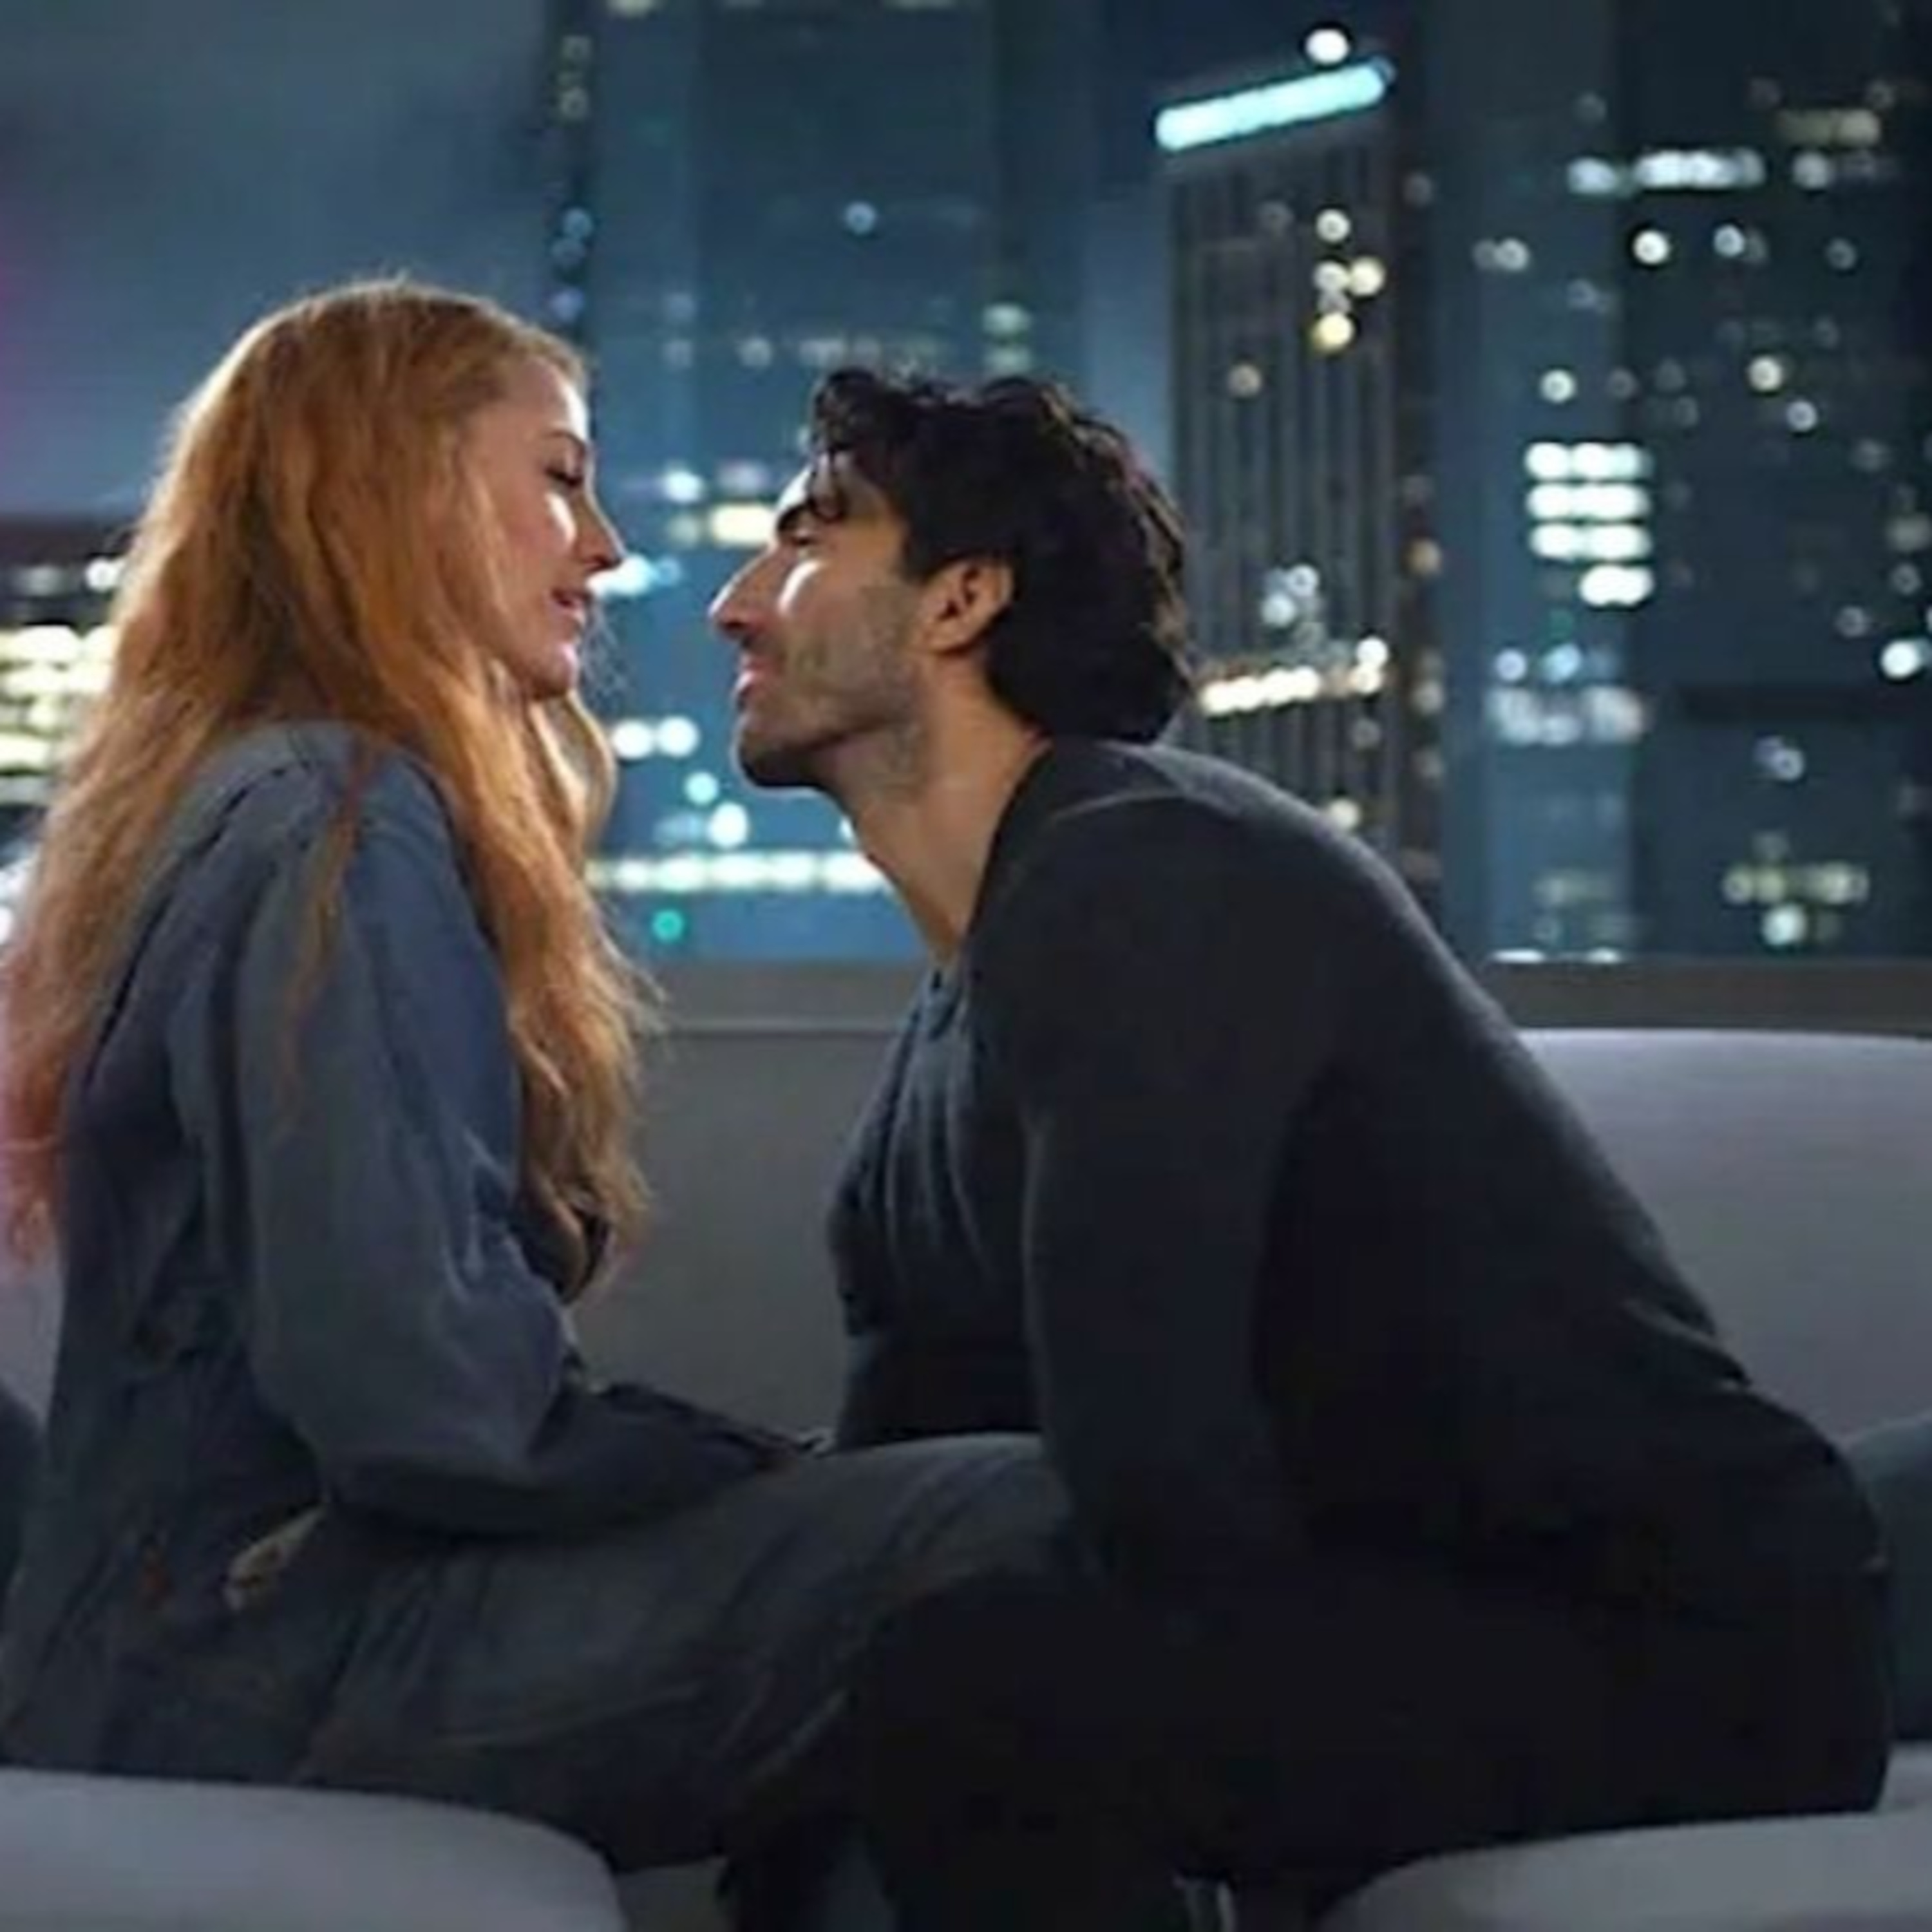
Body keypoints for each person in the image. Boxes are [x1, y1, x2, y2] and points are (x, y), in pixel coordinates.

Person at [708, 367, 1893, 1928]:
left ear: (962, 599)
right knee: (875, 1718)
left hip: (1671, 1640)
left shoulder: (1149, 872)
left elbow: (1158, 1464)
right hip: (1411, 1615)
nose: (736, 604)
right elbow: (889, 1496)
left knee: (983, 1694)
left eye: (809, 536)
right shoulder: (947, 1043)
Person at [0, 283, 1068, 1886]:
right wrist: (756, 1475)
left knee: (913, 1613)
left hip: (198, 1639)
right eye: (561, 480)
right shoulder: (333, 819)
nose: (606, 550)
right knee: (1015, 1525)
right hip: (255, 1663)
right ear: (395, 494)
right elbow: (422, 1401)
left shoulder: (264, 800)